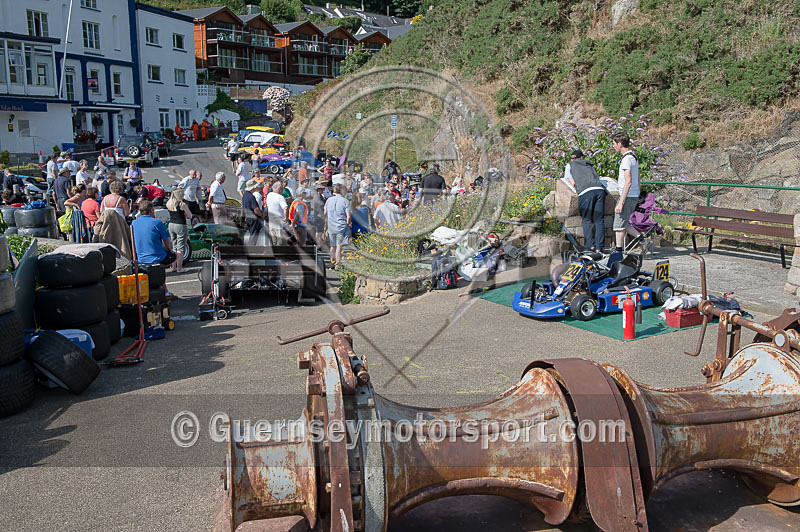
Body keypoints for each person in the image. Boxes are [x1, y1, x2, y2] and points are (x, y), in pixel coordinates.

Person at [566, 149, 606, 252]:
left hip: (586, 192)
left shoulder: (570, 165)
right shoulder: (589, 164)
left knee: (587, 220)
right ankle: (599, 247)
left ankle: (590, 246)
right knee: (599, 220)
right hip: (600, 190)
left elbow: (572, 183)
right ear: (582, 157)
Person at [612, 132, 642, 251]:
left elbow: (628, 181)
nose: (613, 146)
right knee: (623, 222)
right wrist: (638, 193)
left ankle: (618, 251)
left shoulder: (626, 160)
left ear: (620, 144)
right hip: (633, 195)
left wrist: (620, 202)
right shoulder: (633, 157)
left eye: (614, 144)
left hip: (627, 195)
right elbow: (638, 178)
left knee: (618, 224)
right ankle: (641, 238)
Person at [132, 200, 177, 277]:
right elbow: (166, 239)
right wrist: (170, 250)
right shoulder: (157, 222)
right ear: (151, 210)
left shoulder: (134, 223)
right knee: (174, 255)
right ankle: (162, 281)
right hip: (156, 257)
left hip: (140, 258)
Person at [324, 184, 351, 268]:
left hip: (331, 225)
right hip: (341, 225)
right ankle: (338, 264)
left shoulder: (329, 200)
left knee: (332, 245)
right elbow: (349, 216)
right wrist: (348, 224)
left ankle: (332, 261)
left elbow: (325, 213)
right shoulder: (345, 201)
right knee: (339, 246)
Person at [165, 188, 192, 273]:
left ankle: (173, 266)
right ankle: (179, 268)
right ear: (179, 195)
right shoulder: (182, 204)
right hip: (180, 225)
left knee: (174, 246)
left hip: (171, 224)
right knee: (180, 248)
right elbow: (190, 216)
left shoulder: (169, 203)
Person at [241, 179, 268, 246]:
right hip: (253, 219)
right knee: (253, 236)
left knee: (251, 234)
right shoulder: (251, 197)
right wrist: (262, 215)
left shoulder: (245, 196)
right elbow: (256, 209)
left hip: (248, 218)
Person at [266, 181, 289, 245]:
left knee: (274, 243)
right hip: (280, 226)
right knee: (281, 244)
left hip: (272, 223)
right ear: (279, 189)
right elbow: (286, 208)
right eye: (282, 189)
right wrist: (286, 218)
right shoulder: (280, 197)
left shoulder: (269, 195)